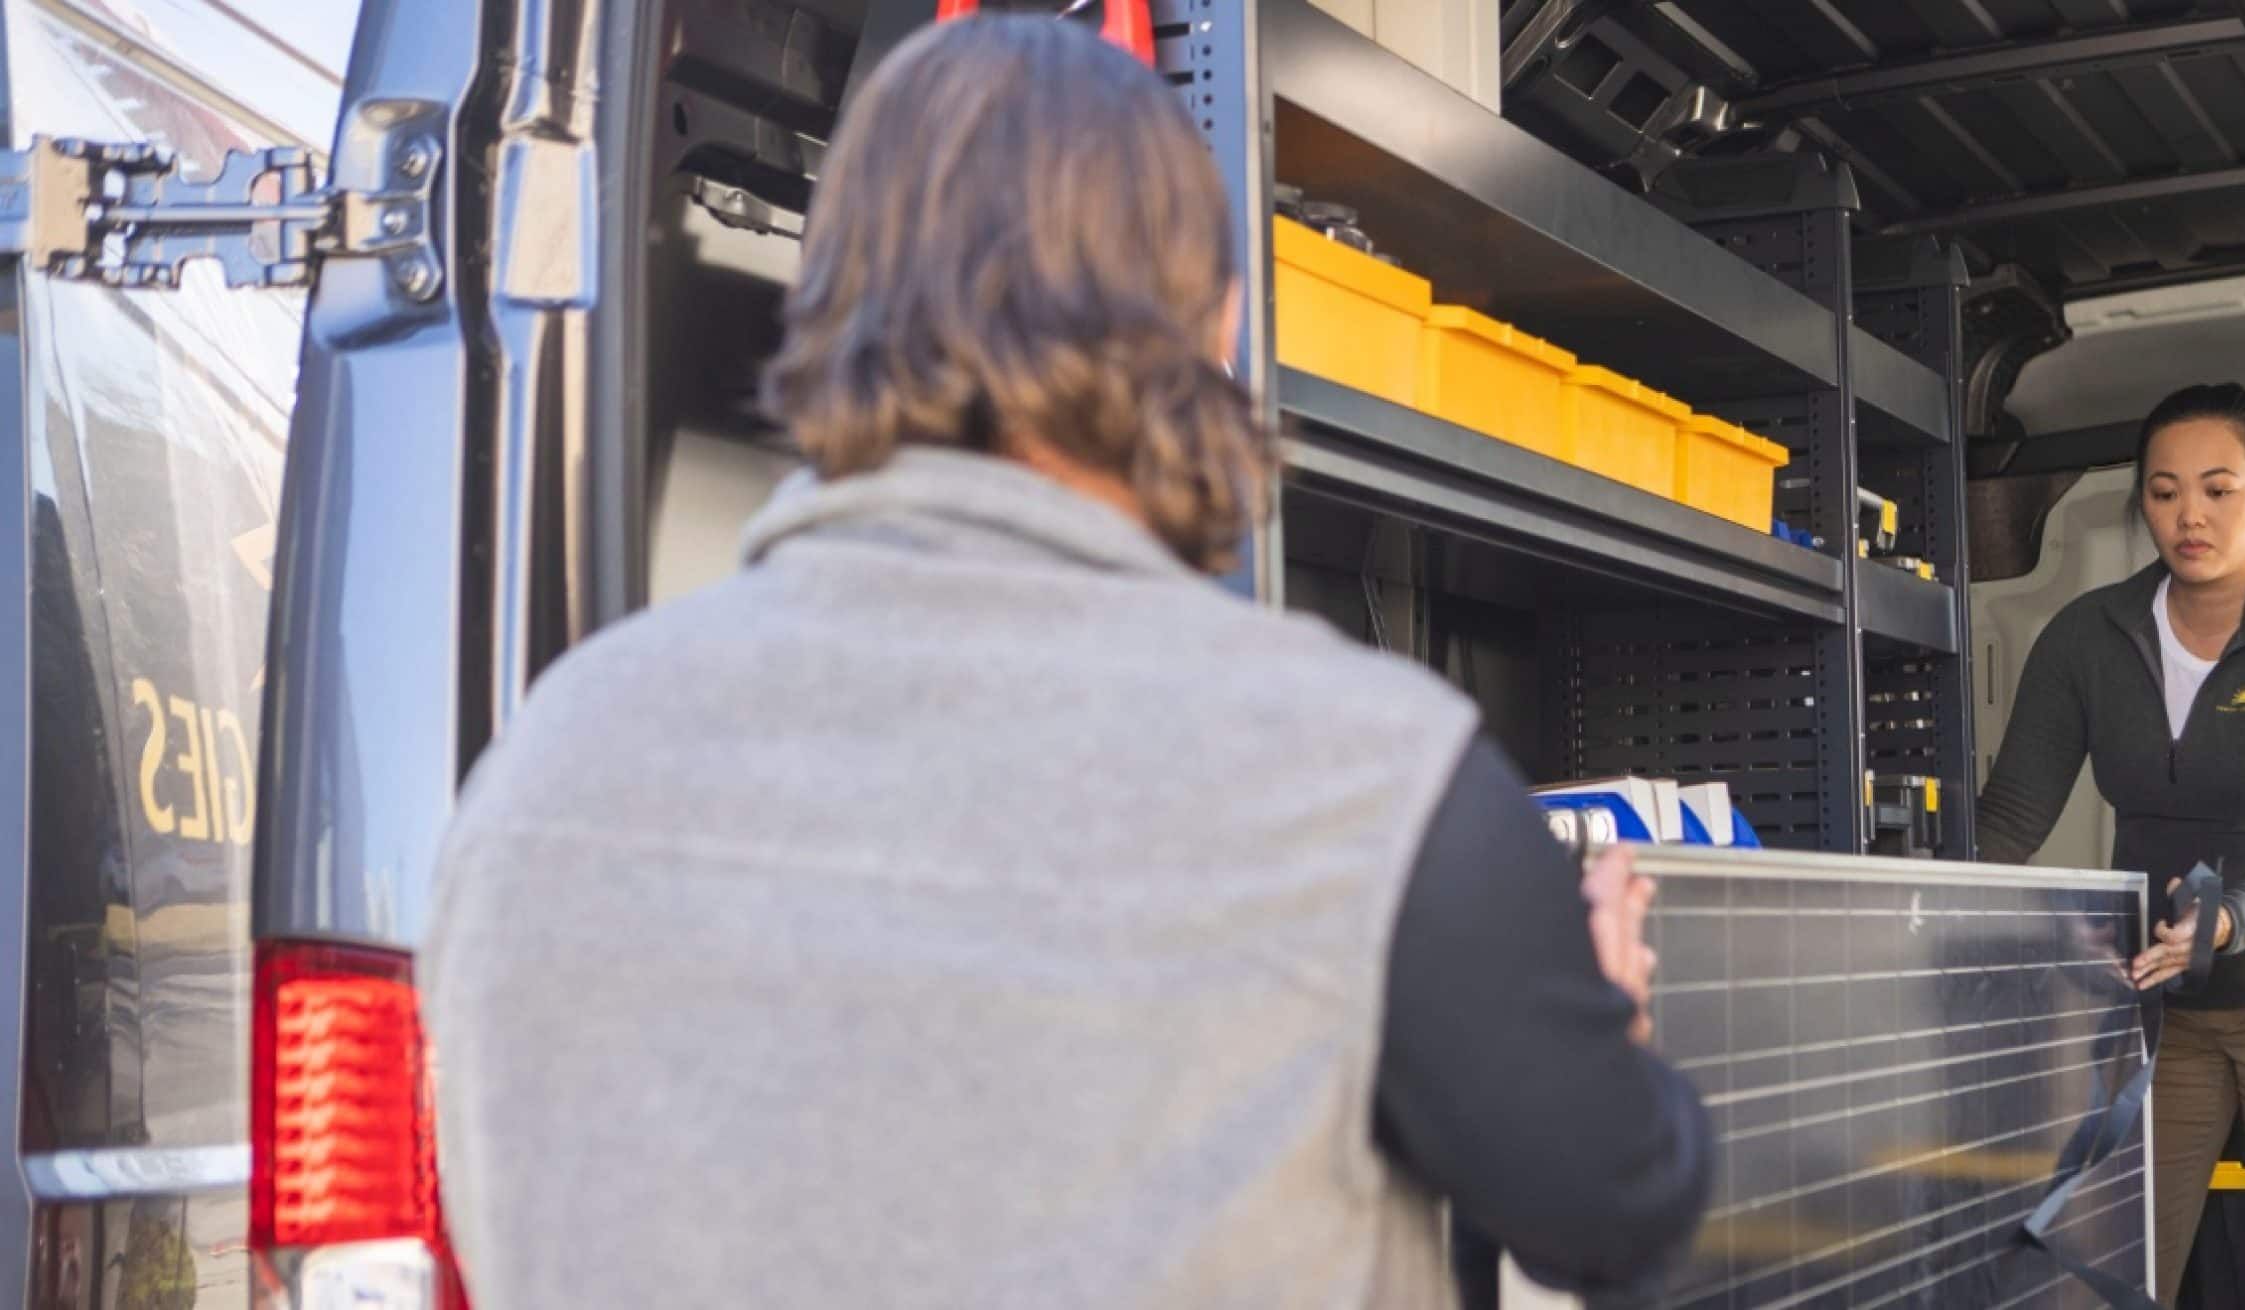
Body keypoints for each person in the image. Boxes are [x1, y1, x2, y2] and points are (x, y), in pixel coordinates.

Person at [419, 16, 1710, 1309]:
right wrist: (1599, 1024)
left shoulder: (537, 775)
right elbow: (1611, 1210)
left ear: (825, 305)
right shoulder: (1367, 784)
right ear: (1218, 327)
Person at [1976, 384, 2245, 1305]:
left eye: (2219, 489)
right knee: (2110, 1271)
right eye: (2165, 492)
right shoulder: (2087, 638)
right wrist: (1913, 900)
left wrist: (2225, 922)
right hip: (2162, 1006)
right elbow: (2011, 814)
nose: (2189, 516)